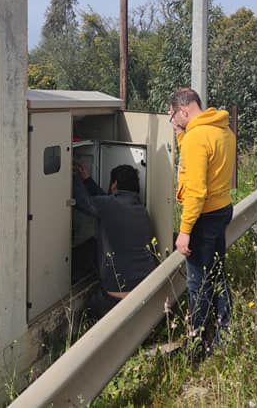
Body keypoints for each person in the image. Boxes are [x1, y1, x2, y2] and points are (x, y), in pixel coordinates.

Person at [167, 87, 235, 358]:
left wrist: (184, 231)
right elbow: (205, 160)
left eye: (172, 115)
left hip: (203, 218)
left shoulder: (197, 138)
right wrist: (182, 136)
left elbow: (195, 190)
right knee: (217, 274)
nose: (173, 121)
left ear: (183, 110)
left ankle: (197, 346)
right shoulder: (221, 129)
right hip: (222, 209)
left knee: (198, 283)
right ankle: (223, 332)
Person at [72, 163, 157, 319]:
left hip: (116, 295)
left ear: (115, 184)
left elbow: (84, 201)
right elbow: (105, 201)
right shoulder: (141, 210)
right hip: (145, 288)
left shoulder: (109, 206)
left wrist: (71, 176)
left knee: (88, 312)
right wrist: (87, 180)